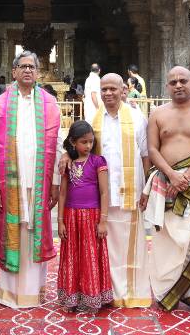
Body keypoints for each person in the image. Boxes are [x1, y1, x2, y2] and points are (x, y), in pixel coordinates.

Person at [62, 73, 151, 307]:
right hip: (99, 197)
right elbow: (78, 147)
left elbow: (144, 154)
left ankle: (130, 293)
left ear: (123, 89)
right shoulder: (93, 118)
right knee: (104, 247)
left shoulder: (136, 116)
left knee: (129, 244)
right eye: (104, 89)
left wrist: (147, 189)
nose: (108, 93)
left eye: (113, 88)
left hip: (130, 190)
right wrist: (65, 155)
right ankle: (105, 292)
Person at [0, 50, 63, 308]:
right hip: (10, 182)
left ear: (38, 72)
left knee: (33, 233)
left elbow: (57, 145)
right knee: (12, 232)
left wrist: (54, 181)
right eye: (23, 67)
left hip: (38, 181)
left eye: (32, 67)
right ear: (14, 72)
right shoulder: (0, 104)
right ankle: (9, 292)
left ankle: (34, 292)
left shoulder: (50, 103)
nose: (28, 71)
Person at [142, 66, 190, 319]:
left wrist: (185, 177)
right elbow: (153, 149)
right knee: (167, 239)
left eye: (183, 80)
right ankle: (166, 292)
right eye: (172, 81)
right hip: (167, 182)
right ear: (167, 86)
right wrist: (172, 175)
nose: (178, 85)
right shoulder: (157, 114)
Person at [57, 120, 113, 313]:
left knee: (90, 257)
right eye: (84, 142)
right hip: (71, 217)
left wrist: (103, 221)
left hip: (92, 217)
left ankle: (92, 298)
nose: (88, 146)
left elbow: (105, 192)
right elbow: (63, 193)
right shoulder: (68, 163)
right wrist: (60, 221)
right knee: (72, 256)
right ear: (73, 142)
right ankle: (72, 298)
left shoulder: (98, 162)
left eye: (91, 142)